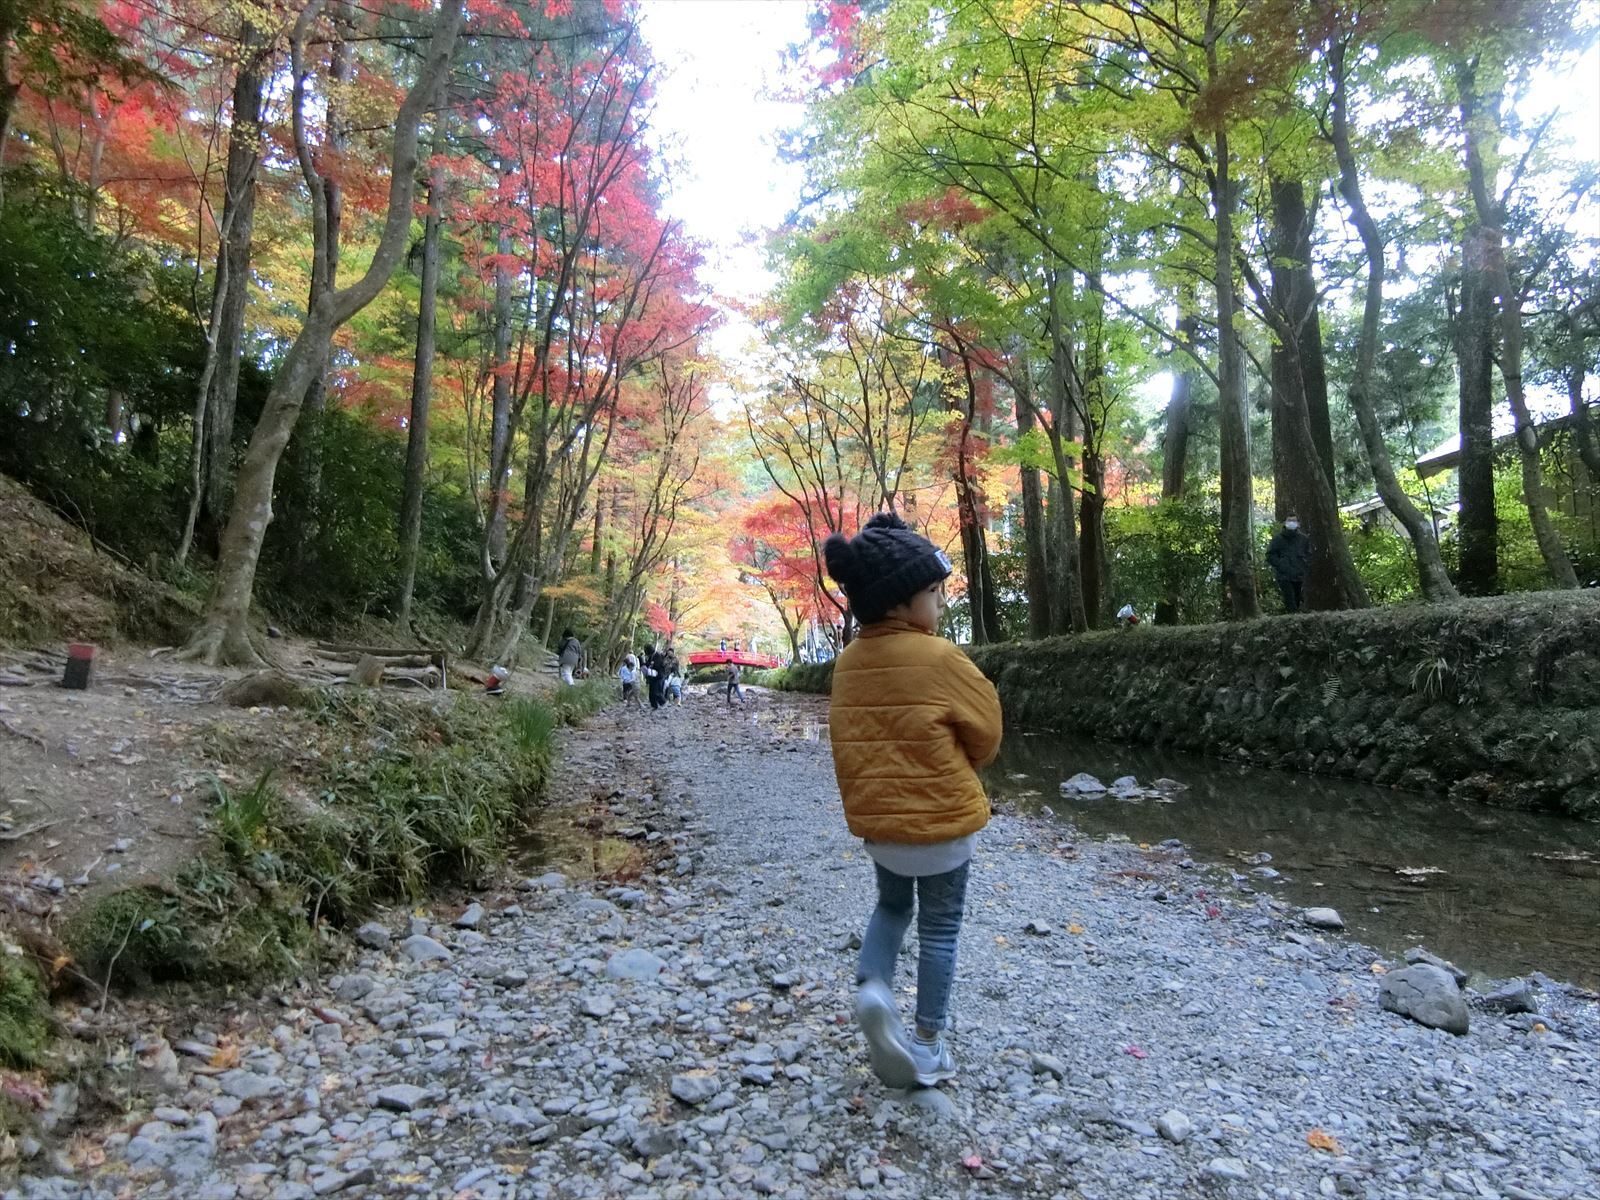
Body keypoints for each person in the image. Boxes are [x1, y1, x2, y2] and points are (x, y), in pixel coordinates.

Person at [822, 512, 1002, 1090]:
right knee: (941, 929)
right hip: (943, 829)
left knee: (892, 908)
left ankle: (873, 987)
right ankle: (927, 1045)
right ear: (901, 602)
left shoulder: (847, 664)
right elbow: (987, 733)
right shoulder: (943, 658)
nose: (943, 604)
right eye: (935, 592)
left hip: (883, 830)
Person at [1265, 513, 1311, 613]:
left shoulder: (1303, 539)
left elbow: (1308, 554)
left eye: (1294, 521)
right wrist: (1281, 564)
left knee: (1297, 598)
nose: (1291, 523)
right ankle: (1293, 620)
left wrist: (1304, 567)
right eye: (1289, 520)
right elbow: (1270, 555)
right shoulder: (1278, 539)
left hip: (1298, 575)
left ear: (1298, 524)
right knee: (1290, 600)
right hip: (1284, 576)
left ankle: (1295, 619)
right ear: (1285, 523)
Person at [646, 645, 669, 710]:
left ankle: (663, 702)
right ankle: (654, 705)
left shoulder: (658, 656)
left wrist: (652, 665)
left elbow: (659, 666)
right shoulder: (651, 656)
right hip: (652, 676)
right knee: (651, 692)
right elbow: (648, 663)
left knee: (656, 691)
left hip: (659, 676)